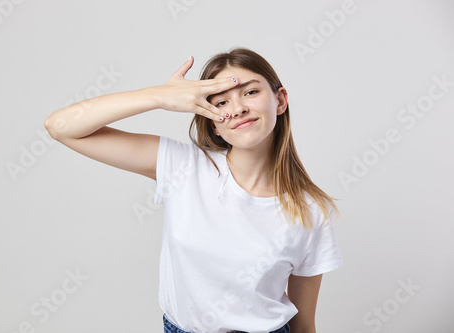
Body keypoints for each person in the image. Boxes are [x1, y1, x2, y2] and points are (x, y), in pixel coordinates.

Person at [44, 48, 343, 333]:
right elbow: (60, 126)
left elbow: (304, 326)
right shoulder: (182, 166)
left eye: (251, 92)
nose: (238, 108)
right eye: (221, 102)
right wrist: (157, 96)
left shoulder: (311, 210)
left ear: (280, 101)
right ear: (213, 123)